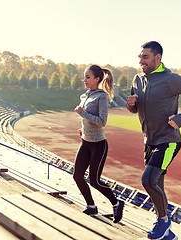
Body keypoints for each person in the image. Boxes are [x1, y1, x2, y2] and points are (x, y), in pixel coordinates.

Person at [127, 41, 181, 240]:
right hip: (148, 141)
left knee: (148, 180)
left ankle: (163, 221)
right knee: (157, 185)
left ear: (157, 58)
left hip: (168, 140)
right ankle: (167, 233)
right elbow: (136, 108)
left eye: (145, 56)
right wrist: (131, 105)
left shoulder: (171, 80)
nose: (140, 60)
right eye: (140, 56)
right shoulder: (137, 79)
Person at [73, 64, 124, 223]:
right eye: (84, 77)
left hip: (98, 145)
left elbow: (102, 121)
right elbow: (86, 120)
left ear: (97, 79)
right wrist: (83, 129)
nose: (85, 80)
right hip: (85, 142)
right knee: (77, 176)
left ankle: (116, 203)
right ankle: (91, 206)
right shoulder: (84, 96)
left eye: (88, 77)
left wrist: (83, 113)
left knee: (94, 180)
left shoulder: (102, 97)